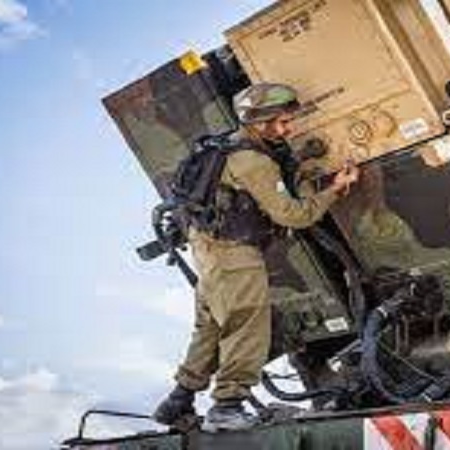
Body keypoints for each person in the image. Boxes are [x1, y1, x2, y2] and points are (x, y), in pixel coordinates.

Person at [152, 83, 359, 431]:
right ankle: (227, 406)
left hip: (209, 252)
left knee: (211, 328)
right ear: (260, 123)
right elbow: (294, 215)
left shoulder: (226, 146)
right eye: (282, 122)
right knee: (247, 326)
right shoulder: (253, 161)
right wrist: (335, 190)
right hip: (235, 256)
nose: (288, 129)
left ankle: (178, 400)